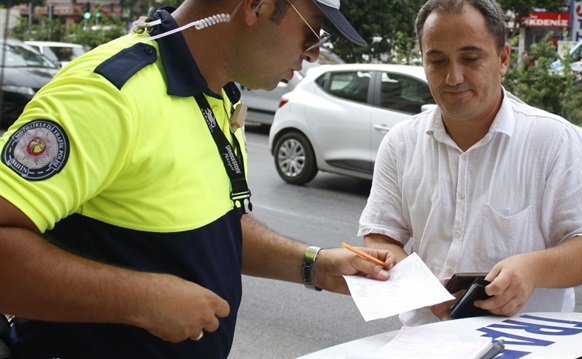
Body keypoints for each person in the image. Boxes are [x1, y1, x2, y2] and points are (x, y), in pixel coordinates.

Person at [0, 0, 395, 357]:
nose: (313, 53)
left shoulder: (220, 96)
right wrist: (140, 298)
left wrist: (315, 265)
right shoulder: (109, 93)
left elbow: (214, 229)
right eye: (313, 32)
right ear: (255, 6)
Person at [359, 0, 582, 327]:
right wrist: (420, 289)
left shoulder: (553, 140)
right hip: (426, 339)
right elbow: (380, 238)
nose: (454, 77)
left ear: (503, 58)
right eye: (437, 61)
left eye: (470, 58)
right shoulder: (401, 142)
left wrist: (532, 269)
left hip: (530, 344)